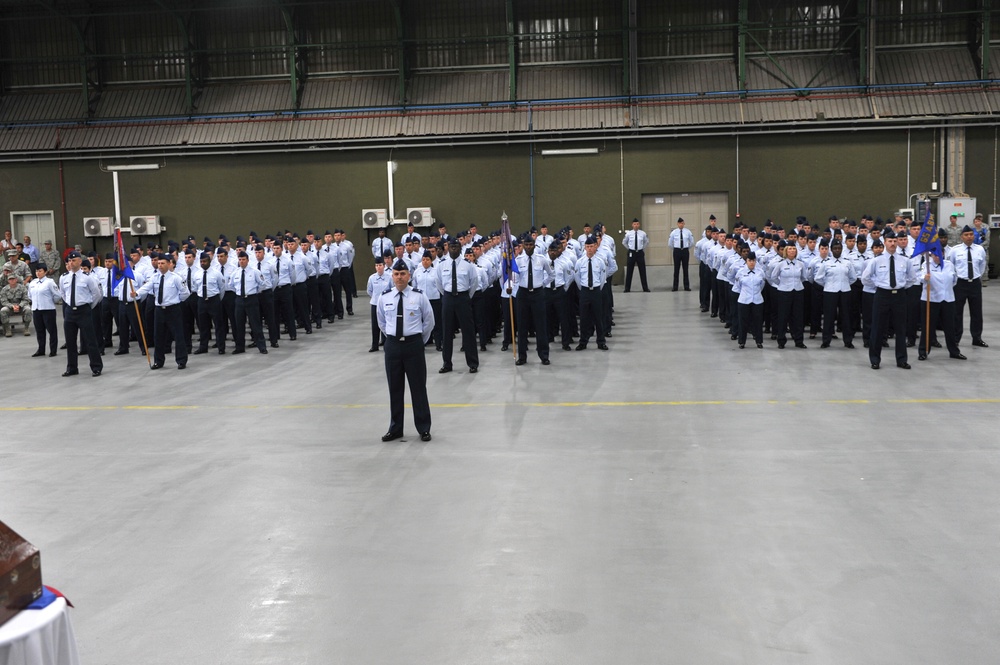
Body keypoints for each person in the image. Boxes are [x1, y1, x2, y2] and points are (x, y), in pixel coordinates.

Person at [376, 259, 434, 443]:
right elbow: (382, 323)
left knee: (418, 388)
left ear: (409, 276)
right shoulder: (384, 297)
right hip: (393, 346)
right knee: (395, 388)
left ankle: (424, 428)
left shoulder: (419, 296)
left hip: (413, 346)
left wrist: (417, 341)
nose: (399, 277)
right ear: (392, 276)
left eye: (403, 274)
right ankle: (395, 428)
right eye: (396, 274)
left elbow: (428, 322)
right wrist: (393, 339)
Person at [861, 230, 915, 370]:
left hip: (899, 296)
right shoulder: (876, 261)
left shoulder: (905, 261)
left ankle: (902, 359)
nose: (892, 243)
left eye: (894, 241)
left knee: (900, 329)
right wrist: (879, 285)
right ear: (884, 242)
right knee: (877, 328)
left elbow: (912, 278)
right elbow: (865, 278)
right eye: (889, 241)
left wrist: (901, 286)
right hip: (882, 295)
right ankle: (875, 359)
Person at [134, 253, 191, 369]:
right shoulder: (155, 277)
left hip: (173, 309)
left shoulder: (176, 278)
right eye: (158, 263)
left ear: (169, 264)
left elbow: (185, 293)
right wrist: (137, 293)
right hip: (159, 310)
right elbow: (147, 287)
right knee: (158, 336)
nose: (160, 265)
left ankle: (181, 360)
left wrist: (176, 301)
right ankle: (158, 361)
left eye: (162, 263)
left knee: (178, 336)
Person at [436, 238, 479, 373]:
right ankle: (447, 363)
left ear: (460, 248)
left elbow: (474, 282)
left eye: (456, 247)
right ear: (447, 248)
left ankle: (472, 363)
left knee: (468, 331)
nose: (454, 249)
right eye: (451, 247)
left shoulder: (468, 264)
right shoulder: (442, 265)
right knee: (447, 331)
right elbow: (439, 284)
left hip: (463, 298)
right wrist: (448, 295)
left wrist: (465, 297)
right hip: (448, 298)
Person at [58, 250, 103, 377]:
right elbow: (63, 293)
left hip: (84, 311)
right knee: (70, 341)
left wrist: (88, 306)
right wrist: (70, 304)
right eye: (69, 261)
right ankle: (72, 367)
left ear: (79, 261)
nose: (71, 263)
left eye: (73, 260)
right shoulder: (64, 277)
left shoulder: (87, 277)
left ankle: (96, 367)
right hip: (70, 311)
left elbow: (96, 294)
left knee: (90, 341)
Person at [917, 250, 965, 362]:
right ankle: (923, 351)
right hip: (931, 299)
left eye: (939, 254)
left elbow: (954, 280)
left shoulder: (949, 264)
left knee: (950, 327)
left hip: (947, 299)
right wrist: (925, 278)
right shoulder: (926, 265)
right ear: (931, 255)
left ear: (943, 254)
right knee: (928, 326)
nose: (937, 257)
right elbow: (920, 278)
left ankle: (954, 351)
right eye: (935, 255)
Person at [513, 234, 553, 366]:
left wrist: (542, 284)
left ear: (534, 246)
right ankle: (522, 356)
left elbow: (551, 274)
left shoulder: (541, 259)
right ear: (523, 246)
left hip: (538, 294)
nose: (528, 247)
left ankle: (544, 355)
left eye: (531, 245)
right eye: (526, 245)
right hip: (523, 294)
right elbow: (515, 277)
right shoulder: (518, 260)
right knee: (522, 326)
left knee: (541, 326)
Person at [950, 225, 988, 347]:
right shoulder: (955, 250)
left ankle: (977, 338)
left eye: (971, 234)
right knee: (957, 313)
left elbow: (982, 265)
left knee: (976, 312)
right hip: (960, 284)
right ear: (962, 237)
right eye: (966, 235)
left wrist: (976, 276)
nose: (969, 237)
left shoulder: (979, 249)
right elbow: (951, 266)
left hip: (975, 283)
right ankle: (956, 338)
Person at [574, 235, 608, 351]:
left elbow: (603, 278)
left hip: (596, 292)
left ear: (595, 247)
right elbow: (577, 278)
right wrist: (584, 289)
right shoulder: (580, 262)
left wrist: (596, 288)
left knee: (598, 317)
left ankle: (601, 341)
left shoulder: (600, 261)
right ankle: (583, 342)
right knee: (584, 318)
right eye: (587, 246)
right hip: (584, 292)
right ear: (584, 247)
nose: (589, 249)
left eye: (591, 246)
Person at [27, 264, 59, 356]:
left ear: (45, 272)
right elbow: (30, 295)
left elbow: (57, 295)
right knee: (39, 331)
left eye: (40, 271)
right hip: (36, 309)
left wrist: (50, 302)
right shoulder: (33, 282)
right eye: (37, 271)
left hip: (48, 309)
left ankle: (53, 350)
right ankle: (41, 350)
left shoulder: (50, 282)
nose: (38, 273)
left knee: (51, 330)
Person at [366, 258, 391, 352]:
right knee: (375, 325)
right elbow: (369, 290)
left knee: (386, 323)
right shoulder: (372, 278)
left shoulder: (389, 277)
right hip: (375, 304)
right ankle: (374, 345)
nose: (378, 267)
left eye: (380, 265)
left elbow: (392, 289)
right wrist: (376, 299)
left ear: (384, 266)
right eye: (376, 266)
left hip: (387, 304)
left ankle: (386, 343)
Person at [623, 218, 650, 293]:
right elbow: (624, 242)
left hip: (640, 253)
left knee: (642, 271)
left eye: (637, 224)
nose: (636, 225)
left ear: (639, 225)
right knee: (629, 271)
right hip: (631, 253)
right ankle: (627, 288)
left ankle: (645, 288)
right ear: (632, 225)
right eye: (634, 224)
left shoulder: (643, 233)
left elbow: (646, 242)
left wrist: (641, 248)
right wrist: (629, 249)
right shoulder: (628, 233)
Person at [668, 217, 695, 291]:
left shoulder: (688, 232)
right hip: (677, 251)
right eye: (679, 223)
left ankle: (686, 286)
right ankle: (675, 287)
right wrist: (675, 249)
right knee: (676, 269)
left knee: (685, 269)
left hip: (685, 251)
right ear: (677, 224)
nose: (681, 224)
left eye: (682, 223)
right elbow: (670, 243)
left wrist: (686, 248)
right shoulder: (674, 232)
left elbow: (692, 242)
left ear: (684, 224)